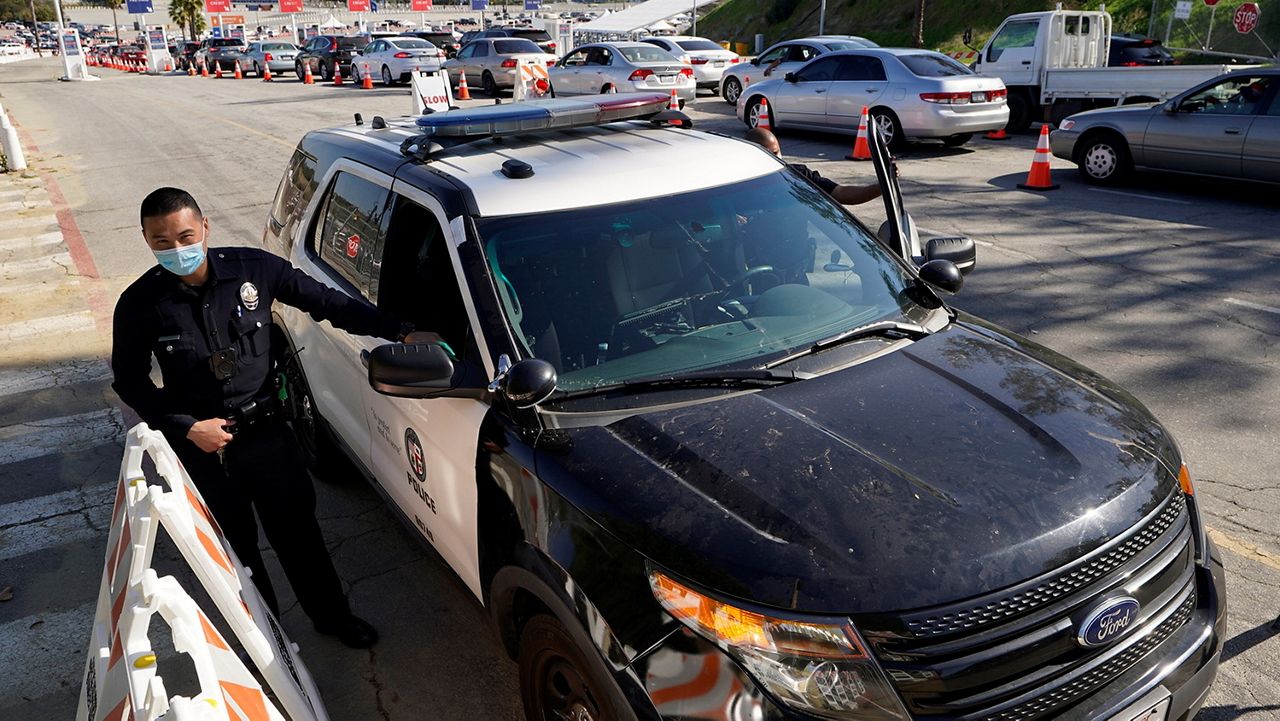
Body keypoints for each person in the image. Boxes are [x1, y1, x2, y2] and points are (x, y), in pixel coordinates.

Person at [112, 187, 415, 649]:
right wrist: (187, 427)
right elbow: (130, 382)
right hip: (203, 449)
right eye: (162, 242)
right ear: (146, 240)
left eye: (185, 236)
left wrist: (402, 330)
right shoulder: (139, 305)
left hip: (268, 435)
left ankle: (333, 617)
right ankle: (263, 642)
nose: (177, 249)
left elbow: (329, 304)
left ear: (205, 227)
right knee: (233, 554)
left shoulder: (255, 270)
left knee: (300, 537)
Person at [744, 127, 881, 205]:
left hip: (801, 255)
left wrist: (881, 187)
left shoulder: (799, 176)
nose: (776, 158)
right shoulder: (739, 185)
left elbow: (840, 193)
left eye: (776, 152)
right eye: (768, 154)